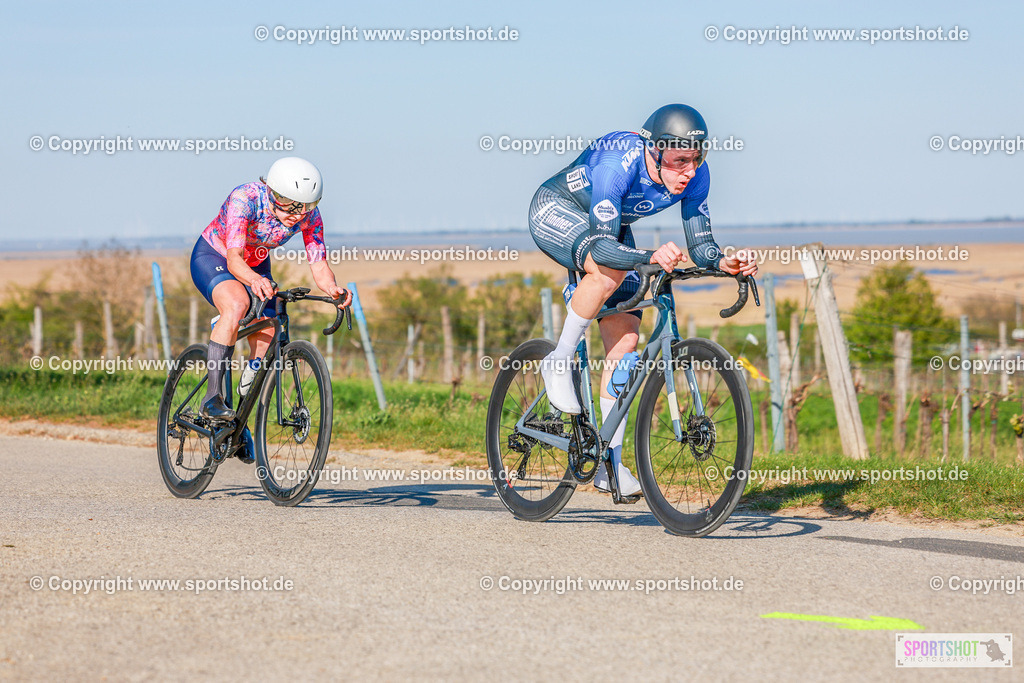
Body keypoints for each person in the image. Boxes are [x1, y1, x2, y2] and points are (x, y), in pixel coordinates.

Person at [528, 104, 758, 496]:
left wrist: (725, 261)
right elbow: (602, 248)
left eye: (696, 159)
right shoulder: (617, 161)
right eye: (679, 160)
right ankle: (558, 360)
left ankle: (608, 462)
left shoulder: (697, 176)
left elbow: (700, 244)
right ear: (654, 150)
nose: (689, 170)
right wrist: (649, 256)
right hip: (558, 210)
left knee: (626, 340)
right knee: (607, 272)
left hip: (610, 226)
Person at [189, 157, 351, 462]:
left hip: (256, 260)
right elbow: (235, 258)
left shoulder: (308, 216)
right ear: (272, 192)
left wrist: (333, 289)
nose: (298, 214)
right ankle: (211, 399)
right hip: (216, 255)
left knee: (271, 320)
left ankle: (239, 419)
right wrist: (254, 281)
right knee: (237, 304)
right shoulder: (244, 199)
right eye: (290, 205)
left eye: (307, 205)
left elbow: (319, 263)